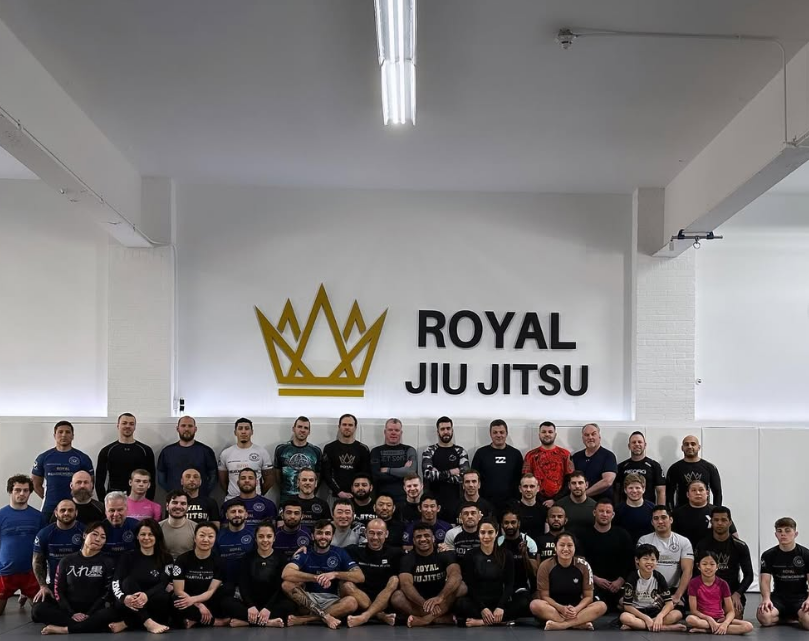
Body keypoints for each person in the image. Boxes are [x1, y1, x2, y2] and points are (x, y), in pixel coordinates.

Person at [31, 522, 118, 634]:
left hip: (93, 610)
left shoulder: (108, 562)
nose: (98, 539)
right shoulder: (67, 560)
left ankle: (64, 629)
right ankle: (89, 626)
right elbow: (58, 590)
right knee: (38, 610)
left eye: (103, 537)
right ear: (85, 535)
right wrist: (71, 613)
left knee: (112, 614)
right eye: (94, 534)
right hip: (69, 609)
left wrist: (89, 614)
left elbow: (106, 593)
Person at [281, 519, 364, 629]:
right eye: (319, 533)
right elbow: (286, 573)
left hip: (332, 601)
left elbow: (360, 576)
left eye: (327, 533)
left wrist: (335, 574)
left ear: (332, 536)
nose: (323, 537)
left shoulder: (340, 553)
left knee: (352, 602)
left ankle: (307, 619)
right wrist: (316, 578)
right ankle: (325, 617)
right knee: (286, 584)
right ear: (312, 536)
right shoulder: (305, 553)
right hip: (308, 600)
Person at [223, 521, 296, 628]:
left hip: (272, 603)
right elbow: (243, 585)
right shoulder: (247, 558)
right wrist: (251, 606)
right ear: (256, 538)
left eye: (269, 536)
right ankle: (268, 622)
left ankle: (247, 622)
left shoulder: (281, 558)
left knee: (291, 606)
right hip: (251, 604)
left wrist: (268, 608)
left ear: (274, 538)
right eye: (261, 536)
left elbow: (280, 587)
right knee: (226, 602)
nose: (265, 540)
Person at [529, 531, 607, 630]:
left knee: (602, 605)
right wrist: (561, 608)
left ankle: (561, 625)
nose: (566, 549)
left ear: (574, 548)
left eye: (570, 545)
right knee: (535, 604)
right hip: (554, 608)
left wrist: (575, 609)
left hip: (577, 609)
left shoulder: (584, 565)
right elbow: (544, 596)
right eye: (562, 545)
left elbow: (588, 597)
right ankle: (577, 624)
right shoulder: (545, 565)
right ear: (555, 548)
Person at [391, 522, 462, 627]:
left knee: (462, 587)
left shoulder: (444, 554)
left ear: (433, 538)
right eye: (418, 537)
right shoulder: (407, 559)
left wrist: (440, 597)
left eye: (427, 535)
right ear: (414, 541)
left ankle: (426, 620)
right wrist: (424, 603)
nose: (423, 539)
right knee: (397, 597)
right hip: (418, 601)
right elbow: (406, 585)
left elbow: (456, 575)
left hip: (441, 598)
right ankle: (439, 619)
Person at [110, 519, 174, 634]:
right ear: (137, 537)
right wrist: (124, 598)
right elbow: (116, 583)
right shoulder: (127, 557)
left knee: (163, 596)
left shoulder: (166, 558)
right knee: (128, 582)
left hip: (154, 602)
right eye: (143, 534)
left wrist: (146, 595)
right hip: (130, 604)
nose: (146, 538)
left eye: (151, 534)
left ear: (157, 536)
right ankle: (148, 623)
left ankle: (127, 623)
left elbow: (164, 583)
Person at [455, 518, 520, 627]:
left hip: (498, 602)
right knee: (460, 604)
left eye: (490, 532)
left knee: (524, 602)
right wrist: (482, 608)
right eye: (482, 532)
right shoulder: (470, 555)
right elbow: (470, 585)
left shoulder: (506, 554)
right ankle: (501, 621)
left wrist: (500, 607)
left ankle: (482, 622)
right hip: (478, 603)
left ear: (496, 533)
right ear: (478, 533)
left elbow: (509, 584)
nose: (486, 537)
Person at [695, 507, 754, 618]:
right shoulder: (702, 545)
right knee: (701, 618)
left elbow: (749, 575)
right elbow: (696, 573)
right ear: (711, 522)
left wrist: (738, 593)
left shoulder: (740, 546)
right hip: (708, 591)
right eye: (716, 520)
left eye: (723, 520)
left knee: (734, 616)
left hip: (732, 592)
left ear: (730, 522)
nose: (720, 523)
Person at [577, 498, 634, 611]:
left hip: (617, 586)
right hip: (592, 585)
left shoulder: (622, 535)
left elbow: (629, 562)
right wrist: (595, 578)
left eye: (608, 512)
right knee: (594, 607)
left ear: (612, 515)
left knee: (628, 606)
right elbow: (579, 562)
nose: (604, 514)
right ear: (594, 513)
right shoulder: (582, 535)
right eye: (601, 511)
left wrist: (620, 580)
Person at [343, 518, 401, 628]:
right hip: (361, 599)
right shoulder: (353, 550)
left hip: (384, 599)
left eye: (379, 533)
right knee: (346, 585)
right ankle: (379, 615)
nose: (375, 537)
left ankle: (365, 617)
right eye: (371, 533)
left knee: (395, 579)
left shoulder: (396, 553)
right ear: (365, 533)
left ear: (386, 534)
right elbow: (332, 552)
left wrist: (441, 547)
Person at [173, 522, 230, 628]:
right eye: (202, 535)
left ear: (215, 539)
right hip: (188, 599)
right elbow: (178, 590)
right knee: (176, 600)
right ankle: (215, 622)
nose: (206, 539)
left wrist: (197, 601)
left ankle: (195, 620)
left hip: (208, 599)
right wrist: (199, 605)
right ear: (195, 538)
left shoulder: (219, 562)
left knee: (226, 597)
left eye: (210, 536)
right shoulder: (182, 559)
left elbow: (210, 591)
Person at [32, 421, 94, 518]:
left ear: (73, 436)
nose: (64, 435)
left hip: (75, 507)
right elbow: (35, 484)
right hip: (50, 507)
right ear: (54, 435)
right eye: (60, 432)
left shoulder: (83, 458)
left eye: (67, 432)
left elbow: (90, 484)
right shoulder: (43, 457)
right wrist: (48, 497)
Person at [638, 505, 694, 611]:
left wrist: (677, 596)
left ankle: (651, 622)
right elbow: (640, 568)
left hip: (673, 590)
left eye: (663, 517)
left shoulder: (683, 541)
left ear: (671, 519)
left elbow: (688, 570)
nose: (660, 521)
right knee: (624, 603)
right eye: (656, 518)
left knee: (676, 614)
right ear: (652, 522)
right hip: (648, 589)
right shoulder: (644, 540)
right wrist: (650, 593)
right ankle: (656, 623)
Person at [757, 517, 809, 630]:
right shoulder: (768, 555)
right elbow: (765, 581)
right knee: (764, 618)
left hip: (800, 598)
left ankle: (797, 616)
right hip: (779, 599)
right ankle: (789, 617)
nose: (783, 534)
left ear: (795, 534)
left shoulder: (806, 554)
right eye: (780, 531)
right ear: (776, 534)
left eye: (787, 530)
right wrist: (766, 599)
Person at [619, 544, 685, 632]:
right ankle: (663, 627)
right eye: (645, 559)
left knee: (677, 614)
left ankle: (640, 626)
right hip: (637, 612)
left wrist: (660, 616)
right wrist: (645, 618)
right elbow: (627, 606)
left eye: (653, 559)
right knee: (624, 617)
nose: (649, 562)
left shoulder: (659, 577)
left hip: (654, 610)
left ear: (657, 561)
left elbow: (669, 603)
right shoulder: (632, 577)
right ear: (637, 560)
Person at [0, 475, 41, 613]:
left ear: (30, 492)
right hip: (5, 572)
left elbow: (42, 545)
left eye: (25, 490)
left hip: (30, 572)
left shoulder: (38, 516)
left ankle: (25, 593)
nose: (22, 494)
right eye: (17, 490)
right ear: (10, 491)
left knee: (40, 612)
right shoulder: (1, 515)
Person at [686, 553, 753, 634]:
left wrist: (725, 624)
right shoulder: (693, 583)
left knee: (748, 626)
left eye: (712, 564)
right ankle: (717, 628)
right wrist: (709, 618)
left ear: (717, 566)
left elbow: (731, 611)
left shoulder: (723, 584)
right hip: (703, 619)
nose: (708, 567)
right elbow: (693, 610)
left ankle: (709, 630)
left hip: (720, 619)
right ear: (698, 566)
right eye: (704, 564)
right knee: (690, 619)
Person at [95, 413, 156, 501]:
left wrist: (149, 501)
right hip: (114, 499)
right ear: (118, 425)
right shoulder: (107, 451)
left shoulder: (145, 451)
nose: (128, 426)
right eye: (124, 423)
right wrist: (103, 502)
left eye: (131, 424)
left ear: (135, 427)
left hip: (139, 498)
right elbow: (99, 482)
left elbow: (152, 479)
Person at [33, 500, 84, 601]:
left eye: (70, 510)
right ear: (56, 512)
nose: (66, 513)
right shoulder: (44, 534)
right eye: (63, 510)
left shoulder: (85, 532)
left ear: (76, 512)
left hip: (80, 585)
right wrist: (43, 586)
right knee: (38, 611)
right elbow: (37, 561)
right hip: (53, 585)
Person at [156, 416, 217, 496]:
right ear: (177, 429)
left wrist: (203, 492)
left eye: (190, 426)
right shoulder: (167, 452)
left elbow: (213, 476)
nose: (187, 429)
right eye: (183, 426)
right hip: (176, 501)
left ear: (195, 429)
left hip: (200, 500)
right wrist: (172, 492)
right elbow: (161, 479)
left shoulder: (206, 451)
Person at [422, 416, 469, 519]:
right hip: (432, 505)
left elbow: (463, 478)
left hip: (455, 503)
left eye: (448, 428)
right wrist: (451, 472)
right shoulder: (429, 451)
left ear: (452, 430)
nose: (446, 432)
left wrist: (438, 474)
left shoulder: (460, 451)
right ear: (438, 431)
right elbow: (428, 475)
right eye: (442, 429)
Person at [471, 419, 523, 510]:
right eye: (495, 432)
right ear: (490, 434)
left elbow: (520, 479)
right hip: (485, 503)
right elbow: (474, 478)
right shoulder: (481, 453)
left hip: (511, 504)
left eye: (501, 432)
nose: (498, 435)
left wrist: (517, 499)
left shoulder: (515, 454)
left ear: (506, 433)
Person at [217, 417, 273, 500]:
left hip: (255, 500)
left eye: (247, 428)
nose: (243, 432)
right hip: (232, 500)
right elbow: (222, 481)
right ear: (235, 432)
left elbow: (269, 480)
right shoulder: (226, 453)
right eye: (240, 429)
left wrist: (256, 494)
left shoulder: (262, 452)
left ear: (252, 432)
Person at [673, 479, 736, 549]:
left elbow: (734, 535)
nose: (697, 493)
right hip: (686, 554)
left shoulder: (718, 512)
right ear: (687, 494)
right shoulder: (677, 514)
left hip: (713, 554)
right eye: (693, 490)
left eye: (701, 490)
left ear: (707, 493)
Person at [273, 416, 323, 504]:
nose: (302, 430)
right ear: (294, 429)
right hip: (286, 496)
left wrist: (311, 492)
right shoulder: (281, 449)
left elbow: (318, 476)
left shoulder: (316, 451)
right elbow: (277, 475)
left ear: (309, 432)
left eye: (306, 428)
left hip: (308, 498)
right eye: (299, 427)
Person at [497, 508, 538, 616]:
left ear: (519, 523)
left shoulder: (529, 542)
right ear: (501, 524)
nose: (509, 526)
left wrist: (525, 555)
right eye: (506, 523)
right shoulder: (497, 543)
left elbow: (534, 572)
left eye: (513, 522)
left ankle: (492, 620)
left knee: (524, 604)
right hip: (501, 588)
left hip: (521, 587)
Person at [321, 414, 371, 500]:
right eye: (344, 424)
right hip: (335, 495)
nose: (347, 427)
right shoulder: (329, 448)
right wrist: (338, 491)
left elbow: (365, 475)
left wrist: (357, 491)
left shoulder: (363, 449)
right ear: (339, 426)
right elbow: (326, 474)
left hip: (357, 496)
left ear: (355, 427)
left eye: (350, 425)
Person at [522, 421, 573, 505]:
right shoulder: (530, 455)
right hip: (536, 501)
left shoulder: (565, 454)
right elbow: (526, 481)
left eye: (550, 432)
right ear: (539, 435)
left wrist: (555, 500)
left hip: (561, 501)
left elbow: (569, 481)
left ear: (555, 435)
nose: (547, 434)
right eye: (543, 432)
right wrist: (540, 500)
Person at [666, 435, 723, 508]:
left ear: (699, 447)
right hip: (681, 513)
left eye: (693, 444)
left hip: (705, 512)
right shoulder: (674, 468)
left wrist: (716, 513)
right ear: (682, 448)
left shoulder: (710, 468)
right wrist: (671, 513)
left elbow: (717, 493)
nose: (690, 446)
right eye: (686, 444)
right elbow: (669, 494)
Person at [370, 418, 417, 503]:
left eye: (397, 430)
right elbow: (376, 476)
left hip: (404, 499)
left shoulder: (409, 450)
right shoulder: (375, 451)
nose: (393, 433)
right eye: (390, 430)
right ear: (385, 432)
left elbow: (411, 472)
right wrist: (402, 472)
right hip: (381, 499)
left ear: (401, 433)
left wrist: (388, 470)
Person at [615, 431, 665, 505]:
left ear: (645, 445)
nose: (637, 444)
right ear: (629, 446)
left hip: (648, 510)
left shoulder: (654, 466)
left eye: (639, 442)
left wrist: (660, 511)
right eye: (634, 442)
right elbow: (616, 491)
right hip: (626, 510)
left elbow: (661, 491)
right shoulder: (621, 467)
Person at [571, 423, 617, 500]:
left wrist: (584, 495)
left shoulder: (608, 456)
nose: (590, 437)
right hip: (580, 503)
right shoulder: (576, 457)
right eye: (586, 435)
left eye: (593, 434)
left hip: (602, 504)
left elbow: (607, 481)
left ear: (599, 436)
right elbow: (572, 480)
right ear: (583, 438)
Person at [216, 501, 255, 587]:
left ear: (246, 514)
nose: (237, 515)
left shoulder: (255, 534)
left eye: (240, 511)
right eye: (233, 512)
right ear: (226, 515)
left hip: (249, 583)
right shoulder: (218, 537)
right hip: (225, 583)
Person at [614, 473, 654, 542]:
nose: (634, 491)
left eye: (637, 488)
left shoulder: (653, 508)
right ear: (625, 490)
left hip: (647, 548)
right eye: (630, 488)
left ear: (644, 489)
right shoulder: (617, 510)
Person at [101, 492, 140, 558]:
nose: (116, 514)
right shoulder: (99, 530)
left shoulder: (138, 526)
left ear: (127, 510)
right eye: (112, 510)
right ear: (105, 512)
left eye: (120, 510)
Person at [160, 490, 196, 559]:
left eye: (183, 503)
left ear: (188, 507)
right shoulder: (157, 528)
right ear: (167, 506)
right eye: (175, 502)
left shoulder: (196, 528)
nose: (178, 506)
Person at [514, 473, 548, 542]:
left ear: (538, 488)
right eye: (525, 486)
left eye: (532, 486)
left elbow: (547, 535)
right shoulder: (513, 510)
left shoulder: (544, 510)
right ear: (520, 489)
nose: (528, 490)